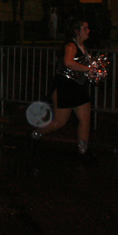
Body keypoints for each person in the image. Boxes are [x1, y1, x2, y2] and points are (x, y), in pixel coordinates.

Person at [31, 19, 97, 162]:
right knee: (59, 122)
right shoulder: (71, 45)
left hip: (79, 86)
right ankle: (36, 134)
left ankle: (82, 151)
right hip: (66, 86)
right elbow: (68, 62)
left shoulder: (83, 46)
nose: (88, 30)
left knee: (85, 120)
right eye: (85, 28)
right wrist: (88, 69)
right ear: (77, 31)